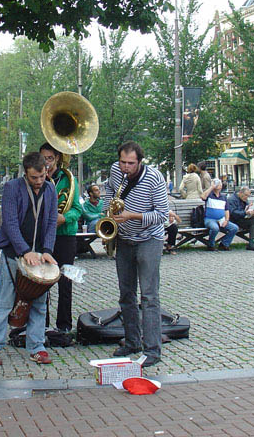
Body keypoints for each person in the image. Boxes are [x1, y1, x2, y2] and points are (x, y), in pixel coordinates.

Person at [0, 152, 58, 366]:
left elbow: (52, 221)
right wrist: (25, 251)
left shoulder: (50, 188)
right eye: (34, 178)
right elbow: (9, 222)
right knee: (5, 299)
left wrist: (47, 250)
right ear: (25, 173)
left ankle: (37, 346)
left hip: (39, 251)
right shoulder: (12, 188)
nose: (38, 182)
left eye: (42, 176)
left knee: (40, 302)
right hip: (14, 252)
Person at [104, 141, 168, 368]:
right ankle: (132, 341)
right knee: (126, 293)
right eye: (122, 162)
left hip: (149, 238)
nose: (125, 167)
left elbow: (162, 215)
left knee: (149, 296)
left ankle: (152, 349)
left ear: (140, 162)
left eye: (131, 163)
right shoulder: (115, 170)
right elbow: (109, 191)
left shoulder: (154, 178)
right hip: (124, 238)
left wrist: (133, 215)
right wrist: (108, 212)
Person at [39, 142, 83, 335]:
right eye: (43, 159)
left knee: (65, 281)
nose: (46, 163)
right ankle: (42, 324)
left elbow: (77, 209)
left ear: (57, 158)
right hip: (43, 237)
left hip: (65, 236)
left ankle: (64, 325)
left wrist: (63, 218)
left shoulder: (68, 179)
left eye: (49, 158)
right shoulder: (37, 179)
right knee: (43, 282)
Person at [202, 177, 239, 251]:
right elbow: (203, 196)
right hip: (210, 219)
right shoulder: (210, 195)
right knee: (215, 228)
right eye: (216, 183)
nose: (218, 185)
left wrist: (226, 220)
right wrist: (211, 187)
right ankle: (211, 245)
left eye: (219, 183)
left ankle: (224, 243)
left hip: (221, 219)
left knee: (234, 228)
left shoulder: (223, 197)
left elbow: (226, 210)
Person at [227, 186, 254, 251]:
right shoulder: (231, 200)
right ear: (240, 193)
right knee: (253, 222)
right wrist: (245, 212)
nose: (246, 197)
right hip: (235, 220)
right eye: (246, 195)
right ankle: (251, 243)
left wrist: (252, 209)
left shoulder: (244, 199)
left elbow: (246, 209)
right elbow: (233, 213)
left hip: (242, 218)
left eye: (248, 196)